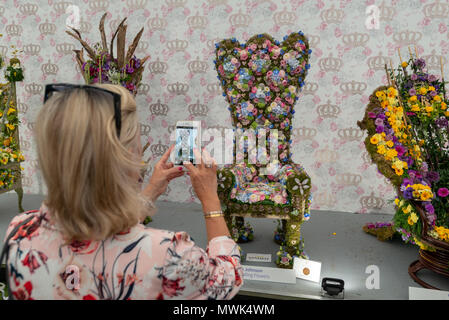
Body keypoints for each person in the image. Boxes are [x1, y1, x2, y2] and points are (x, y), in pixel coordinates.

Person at [2, 83, 242, 300]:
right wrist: (211, 200)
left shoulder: (20, 233)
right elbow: (227, 279)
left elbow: (99, 229)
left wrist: (150, 192)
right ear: (126, 157)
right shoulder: (169, 255)